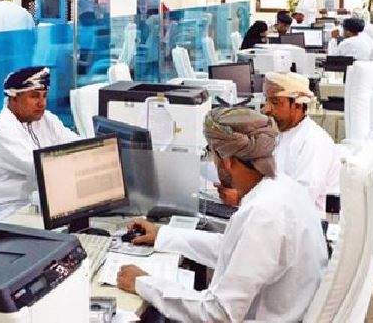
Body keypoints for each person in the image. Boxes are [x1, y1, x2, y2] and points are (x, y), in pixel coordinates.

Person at [116, 107, 327, 322]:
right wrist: (163, 236)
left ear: (227, 160)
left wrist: (145, 284)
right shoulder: (285, 189)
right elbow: (232, 252)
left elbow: (219, 313)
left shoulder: (263, 215)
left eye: (211, 153)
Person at [0, 66, 80, 219]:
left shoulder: (46, 118)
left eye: (44, 96)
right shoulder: (3, 129)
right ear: (13, 98)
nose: (41, 103)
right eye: (34, 96)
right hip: (2, 211)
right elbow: (43, 168)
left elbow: (77, 145)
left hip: (35, 205)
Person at [262, 72, 340, 211]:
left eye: (275, 103)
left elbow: (300, 200)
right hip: (276, 213)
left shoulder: (313, 142)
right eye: (266, 101)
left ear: (298, 105)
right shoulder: (280, 133)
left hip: (306, 220)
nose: (266, 109)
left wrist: (247, 199)